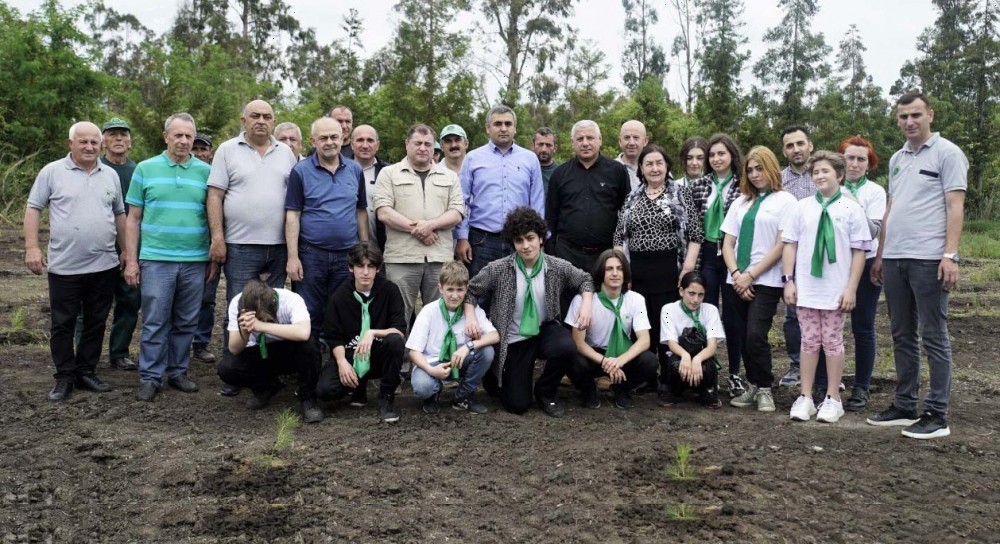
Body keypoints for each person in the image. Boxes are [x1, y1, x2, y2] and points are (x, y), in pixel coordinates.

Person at [867, 92, 967, 439]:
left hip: (928, 258)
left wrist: (950, 255)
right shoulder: (897, 158)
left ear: (930, 115)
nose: (909, 122)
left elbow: (955, 206)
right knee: (901, 334)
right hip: (895, 259)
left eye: (915, 115)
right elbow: (891, 208)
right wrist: (881, 254)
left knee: (933, 335)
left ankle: (937, 413)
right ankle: (905, 404)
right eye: (903, 117)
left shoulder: (948, 153)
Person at [25, 121, 126, 401]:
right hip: (65, 266)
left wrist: (126, 250)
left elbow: (120, 215)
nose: (89, 147)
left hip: (104, 264)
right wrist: (32, 247)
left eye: (94, 142)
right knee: (63, 323)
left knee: (96, 322)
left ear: (101, 145)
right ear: (71, 144)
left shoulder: (110, 175)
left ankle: (86, 370)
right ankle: (64, 376)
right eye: (83, 142)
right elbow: (33, 209)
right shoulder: (52, 172)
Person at [463, 207, 594, 417]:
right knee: (517, 405)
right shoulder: (499, 269)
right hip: (514, 338)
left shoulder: (556, 266)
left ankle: (546, 391)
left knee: (566, 346)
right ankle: (495, 376)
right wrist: (470, 316)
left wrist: (586, 303)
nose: (525, 246)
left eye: (530, 238)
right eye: (519, 240)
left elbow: (585, 279)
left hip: (544, 329)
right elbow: (471, 291)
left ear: (541, 238)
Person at [206, 100, 298, 393]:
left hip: (278, 245)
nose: (261, 121)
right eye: (255, 116)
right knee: (239, 308)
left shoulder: (286, 153)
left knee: (271, 311)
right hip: (240, 245)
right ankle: (234, 373)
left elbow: (295, 200)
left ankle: (266, 370)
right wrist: (217, 238)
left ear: (273, 121)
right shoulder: (226, 150)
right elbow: (215, 196)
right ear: (243, 120)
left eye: (267, 116)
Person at [124, 113, 214, 402]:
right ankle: (150, 377)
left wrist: (213, 256)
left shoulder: (205, 172)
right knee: (154, 320)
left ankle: (178, 371)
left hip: (194, 259)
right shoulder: (145, 169)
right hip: (156, 258)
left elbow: (213, 216)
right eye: (178, 135)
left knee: (187, 320)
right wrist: (132, 260)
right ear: (166, 137)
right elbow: (133, 218)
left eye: (189, 136)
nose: (184, 141)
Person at [781, 151, 871, 424]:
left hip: (835, 289)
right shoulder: (802, 207)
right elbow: (790, 244)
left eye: (825, 172)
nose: (819, 176)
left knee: (832, 341)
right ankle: (806, 396)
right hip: (807, 288)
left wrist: (851, 288)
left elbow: (859, 251)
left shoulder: (851, 208)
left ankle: (833, 397)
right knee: (808, 341)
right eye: (815, 172)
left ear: (839, 175)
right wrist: (789, 280)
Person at [613, 143, 702, 397]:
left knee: (667, 323)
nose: (654, 168)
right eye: (648, 164)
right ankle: (647, 377)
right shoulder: (632, 197)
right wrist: (622, 270)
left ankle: (670, 376)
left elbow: (696, 235)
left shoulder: (680, 194)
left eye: (659, 163)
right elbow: (619, 236)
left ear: (667, 167)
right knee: (643, 325)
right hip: (638, 271)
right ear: (641, 168)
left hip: (670, 270)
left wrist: (687, 269)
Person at [720, 146, 797, 412]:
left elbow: (781, 244)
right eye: (750, 170)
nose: (754, 174)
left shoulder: (786, 201)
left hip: (766, 280)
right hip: (736, 280)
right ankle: (752, 385)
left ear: (771, 168)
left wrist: (752, 274)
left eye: (759, 168)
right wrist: (737, 274)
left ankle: (764, 388)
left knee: (756, 334)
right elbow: (728, 241)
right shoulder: (741, 201)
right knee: (740, 335)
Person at [812, 136, 885, 412]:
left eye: (861, 159)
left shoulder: (875, 193)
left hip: (863, 264)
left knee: (862, 327)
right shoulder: (826, 189)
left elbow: (874, 230)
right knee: (823, 326)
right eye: (849, 158)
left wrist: (852, 201)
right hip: (831, 266)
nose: (854, 164)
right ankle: (823, 384)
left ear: (869, 165)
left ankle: (862, 386)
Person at [374, 124, 465, 328]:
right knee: (398, 313)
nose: (423, 148)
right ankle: (399, 358)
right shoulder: (389, 174)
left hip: (438, 257)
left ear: (434, 148)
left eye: (428, 144)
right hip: (402, 258)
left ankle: (434, 358)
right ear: (407, 144)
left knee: (439, 314)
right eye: (418, 143)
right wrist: (418, 230)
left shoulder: (449, 176)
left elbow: (457, 212)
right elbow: (384, 212)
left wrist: (430, 225)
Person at [285, 117, 368, 338]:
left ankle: (337, 360)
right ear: (313, 141)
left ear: (343, 139)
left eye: (334, 137)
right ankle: (310, 364)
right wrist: (293, 257)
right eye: (323, 138)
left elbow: (360, 210)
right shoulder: (300, 172)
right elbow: (293, 215)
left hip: (347, 255)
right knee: (309, 311)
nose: (329, 142)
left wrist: (365, 248)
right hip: (312, 254)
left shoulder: (355, 170)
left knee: (342, 309)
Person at [317, 243, 406, 423]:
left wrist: (372, 333)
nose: (365, 272)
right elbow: (333, 337)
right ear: (351, 268)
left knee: (395, 341)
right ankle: (358, 389)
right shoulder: (339, 296)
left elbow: (399, 330)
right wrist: (341, 362)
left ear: (378, 269)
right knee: (324, 391)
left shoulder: (390, 290)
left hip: (379, 355)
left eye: (371, 266)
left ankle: (386, 396)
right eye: (360, 266)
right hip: (351, 354)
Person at [454, 105, 545, 277]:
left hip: (520, 240)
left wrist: (538, 239)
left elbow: (537, 201)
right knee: (480, 296)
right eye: (497, 124)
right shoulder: (473, 158)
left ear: (515, 128)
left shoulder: (530, 159)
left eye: (508, 124)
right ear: (488, 128)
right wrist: (462, 237)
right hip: (481, 241)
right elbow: (462, 201)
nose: (503, 128)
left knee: (517, 295)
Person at [218, 280, 324, 423]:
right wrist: (245, 330)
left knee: (310, 346)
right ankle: (266, 387)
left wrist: (261, 326)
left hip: (289, 350)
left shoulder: (291, 300)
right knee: (227, 368)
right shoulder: (237, 303)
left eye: (261, 316)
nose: (257, 319)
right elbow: (234, 349)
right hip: (259, 352)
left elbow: (304, 332)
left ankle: (308, 398)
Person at [566, 249, 658, 410]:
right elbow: (578, 343)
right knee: (572, 359)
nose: (615, 273)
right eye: (609, 269)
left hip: (621, 354)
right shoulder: (583, 301)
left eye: (619, 268)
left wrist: (619, 361)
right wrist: (604, 361)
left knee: (649, 361)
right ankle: (588, 390)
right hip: (595, 355)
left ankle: (622, 388)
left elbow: (644, 340)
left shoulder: (636, 299)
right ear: (601, 272)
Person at [407, 261, 499, 415]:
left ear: (466, 289)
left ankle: (463, 396)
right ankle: (432, 394)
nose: (455, 296)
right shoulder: (429, 311)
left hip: (459, 360)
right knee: (422, 386)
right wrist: (431, 369)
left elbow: (494, 335)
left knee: (487, 351)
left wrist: (467, 347)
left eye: (460, 290)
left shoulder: (472, 310)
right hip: (432, 362)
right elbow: (412, 351)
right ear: (440, 288)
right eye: (450, 289)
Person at [546, 120, 630, 273]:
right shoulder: (559, 174)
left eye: (590, 138)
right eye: (580, 139)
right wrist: (552, 254)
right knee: (568, 297)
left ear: (600, 140)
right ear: (572, 143)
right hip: (566, 255)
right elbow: (551, 217)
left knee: (602, 297)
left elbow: (627, 214)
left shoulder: (617, 171)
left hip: (605, 256)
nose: (585, 143)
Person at [697, 133, 746, 398]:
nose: (716, 159)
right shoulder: (700, 185)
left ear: (732, 156)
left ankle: (736, 374)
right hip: (707, 254)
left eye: (721, 154)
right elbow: (693, 225)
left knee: (733, 317)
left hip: (732, 255)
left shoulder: (743, 185)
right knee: (708, 314)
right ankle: (710, 372)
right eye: (712, 155)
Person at [100, 117, 141, 371]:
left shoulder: (139, 170)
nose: (118, 139)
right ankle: (85, 354)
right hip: (101, 246)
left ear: (130, 142)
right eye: (113, 134)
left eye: (123, 134)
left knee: (129, 301)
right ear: (103, 140)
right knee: (93, 305)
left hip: (133, 247)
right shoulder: (95, 167)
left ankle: (119, 352)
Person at [777, 125, 816, 388]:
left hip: (822, 257)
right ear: (784, 151)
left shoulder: (824, 174)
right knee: (792, 315)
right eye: (790, 146)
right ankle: (796, 365)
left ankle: (822, 367)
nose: (796, 149)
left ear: (810, 145)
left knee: (825, 313)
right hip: (791, 255)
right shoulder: (779, 181)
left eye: (800, 143)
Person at [659, 271, 725, 408]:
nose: (695, 300)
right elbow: (671, 342)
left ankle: (703, 390)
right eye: (691, 293)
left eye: (700, 295)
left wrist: (697, 359)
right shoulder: (669, 310)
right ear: (681, 291)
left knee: (708, 368)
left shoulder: (710, 310)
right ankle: (675, 390)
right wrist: (685, 355)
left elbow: (712, 346)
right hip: (679, 356)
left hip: (702, 356)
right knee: (674, 365)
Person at [351, 125, 388, 250]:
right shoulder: (339, 171)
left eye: (370, 140)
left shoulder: (388, 172)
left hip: (381, 248)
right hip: (345, 248)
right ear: (351, 144)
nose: (365, 145)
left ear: (377, 145)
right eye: (360, 140)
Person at [615, 120, 649, 191]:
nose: (631, 143)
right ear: (620, 141)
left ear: (645, 141)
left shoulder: (658, 170)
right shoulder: (609, 170)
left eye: (636, 137)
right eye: (627, 137)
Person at [531, 127, 559, 194]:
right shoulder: (525, 170)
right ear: (532, 145)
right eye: (540, 144)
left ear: (555, 148)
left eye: (548, 145)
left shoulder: (561, 173)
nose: (544, 149)